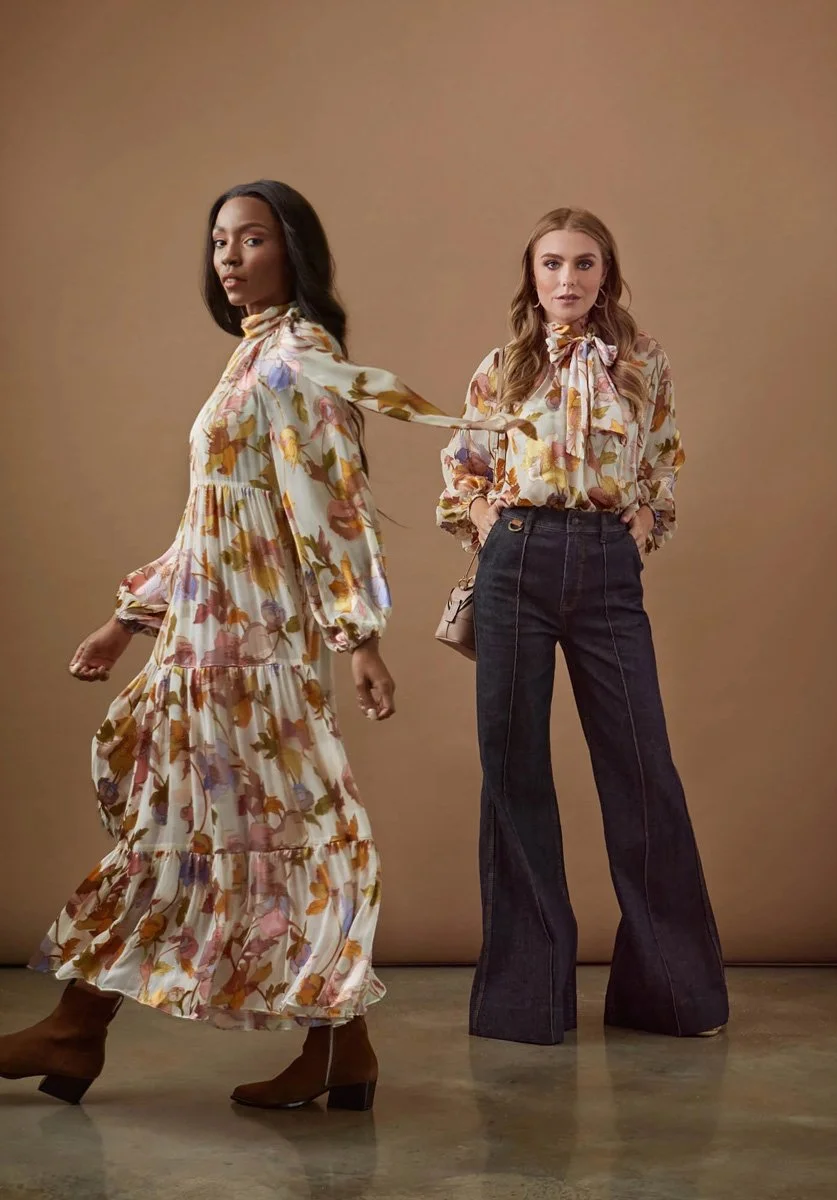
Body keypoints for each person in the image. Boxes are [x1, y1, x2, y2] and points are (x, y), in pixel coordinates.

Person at [0, 180, 512, 1110]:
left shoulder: (299, 360)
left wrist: (356, 635)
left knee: (262, 828)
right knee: (221, 826)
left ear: (294, 252)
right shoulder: (252, 359)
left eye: (252, 240)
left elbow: (329, 503)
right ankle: (301, 1048)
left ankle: (88, 1031)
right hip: (203, 636)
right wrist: (131, 617)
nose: (229, 258)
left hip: (251, 646)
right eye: (219, 242)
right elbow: (214, 520)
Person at [438, 207, 729, 1046]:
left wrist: (648, 520)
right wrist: (488, 520)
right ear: (530, 276)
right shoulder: (500, 369)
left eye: (585, 264)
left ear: (607, 276)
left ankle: (669, 995)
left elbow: (664, 454)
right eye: (551, 264)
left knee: (641, 766)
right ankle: (526, 1002)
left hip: (605, 565)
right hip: (516, 563)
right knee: (513, 768)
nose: (567, 280)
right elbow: (463, 463)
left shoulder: (641, 364)